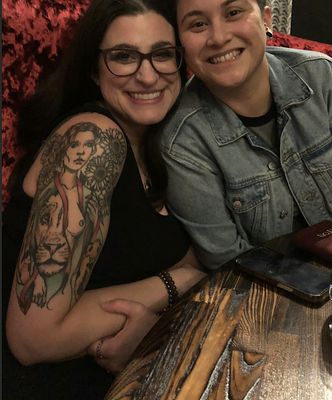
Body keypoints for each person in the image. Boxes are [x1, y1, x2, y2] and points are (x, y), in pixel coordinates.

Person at [2, 0, 206, 398]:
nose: (147, 75)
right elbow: (33, 340)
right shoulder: (93, 140)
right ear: (94, 71)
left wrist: (151, 326)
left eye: (163, 54)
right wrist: (177, 282)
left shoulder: (160, 148)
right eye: (123, 57)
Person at [160, 0, 332, 270]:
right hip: (262, 289)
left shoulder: (326, 79)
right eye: (198, 24)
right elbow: (228, 259)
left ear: (266, 20)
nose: (219, 38)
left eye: (233, 13)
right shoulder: (182, 141)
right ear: (180, 44)